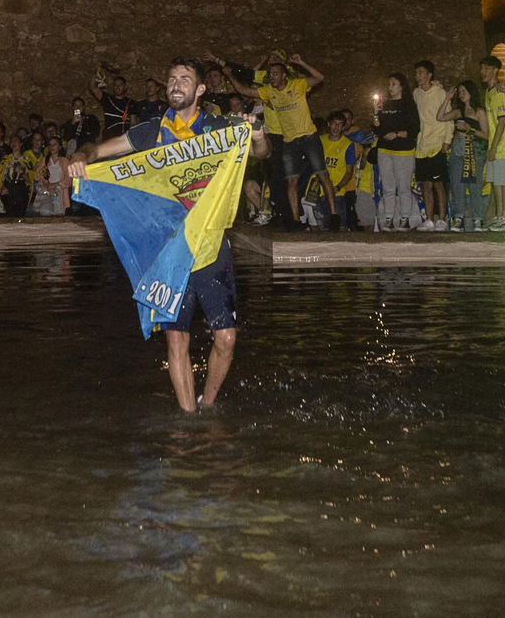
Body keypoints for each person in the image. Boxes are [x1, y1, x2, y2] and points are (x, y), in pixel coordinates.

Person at [70, 57, 270, 413]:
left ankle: (208, 406)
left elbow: (260, 152)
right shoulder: (151, 131)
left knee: (226, 337)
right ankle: (188, 418)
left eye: (184, 79)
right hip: (167, 247)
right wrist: (81, 156)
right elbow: (100, 149)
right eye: (171, 79)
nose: (176, 84)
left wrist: (257, 135)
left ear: (200, 89)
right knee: (177, 339)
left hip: (209, 244)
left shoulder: (219, 127)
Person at [230, 54, 337, 228]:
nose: (272, 77)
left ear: (284, 75)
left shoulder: (298, 85)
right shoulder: (268, 92)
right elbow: (243, 91)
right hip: (290, 141)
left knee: (322, 175)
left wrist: (301, 62)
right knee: (291, 181)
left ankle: (334, 215)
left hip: (309, 136)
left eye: (275, 73)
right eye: (270, 74)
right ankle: (295, 220)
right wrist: (229, 75)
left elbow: (319, 78)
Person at [373, 72, 421, 232]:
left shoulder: (408, 105)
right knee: (387, 185)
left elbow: (414, 129)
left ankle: (405, 218)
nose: (390, 87)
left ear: (401, 86)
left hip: (403, 151)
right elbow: (377, 128)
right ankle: (388, 218)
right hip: (385, 150)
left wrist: (397, 134)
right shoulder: (384, 105)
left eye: (394, 84)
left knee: (403, 186)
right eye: (389, 84)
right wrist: (375, 113)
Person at [440, 80, 488, 232]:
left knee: (475, 185)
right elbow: (440, 117)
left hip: (474, 151)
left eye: (464, 91)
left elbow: (486, 135)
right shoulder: (458, 112)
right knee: (457, 185)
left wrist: (470, 129)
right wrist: (447, 98)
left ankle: (478, 219)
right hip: (457, 151)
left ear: (471, 92)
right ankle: (458, 217)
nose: (461, 95)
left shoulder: (479, 111)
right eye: (459, 92)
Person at [411, 60, 452, 232]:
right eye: (416, 73)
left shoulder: (440, 93)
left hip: (437, 142)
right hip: (422, 144)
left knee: (438, 184)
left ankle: (442, 219)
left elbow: (449, 118)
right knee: (425, 184)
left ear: (430, 75)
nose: (417, 76)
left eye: (421, 73)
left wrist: (447, 140)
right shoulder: (416, 93)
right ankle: (428, 219)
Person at [479, 55, 505, 232]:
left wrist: (493, 147)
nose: (482, 72)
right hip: (494, 141)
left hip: (502, 143)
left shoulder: (499, 92)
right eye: (481, 69)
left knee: (504, 182)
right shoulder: (489, 92)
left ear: (495, 70)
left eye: (486, 69)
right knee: (496, 182)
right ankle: (499, 216)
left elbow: (502, 121)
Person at [320, 111, 359, 231]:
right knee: (321, 229)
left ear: (344, 127)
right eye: (334, 123)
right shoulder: (320, 140)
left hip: (337, 193)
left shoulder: (348, 145)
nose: (336, 127)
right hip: (319, 192)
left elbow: (349, 171)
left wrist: (338, 187)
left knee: (340, 228)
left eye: (339, 124)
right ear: (328, 124)